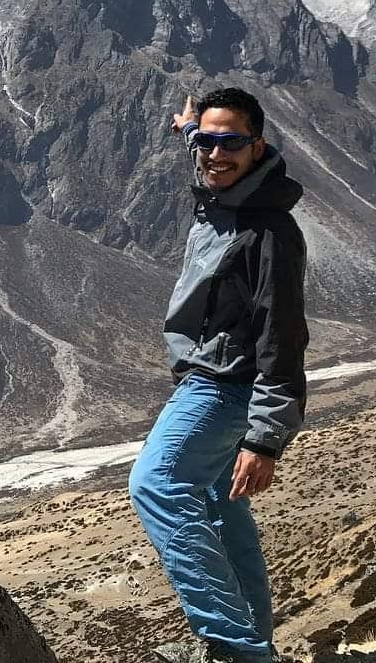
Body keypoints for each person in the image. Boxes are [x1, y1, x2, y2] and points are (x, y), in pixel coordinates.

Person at [129, 87, 309, 663]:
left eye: (230, 142)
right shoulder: (223, 188)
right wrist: (189, 128)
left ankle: (238, 652)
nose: (214, 153)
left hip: (225, 385)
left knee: (157, 485)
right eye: (207, 142)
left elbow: (283, 338)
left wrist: (265, 438)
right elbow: (203, 147)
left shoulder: (269, 233)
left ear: (258, 147)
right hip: (215, 377)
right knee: (217, 498)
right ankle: (257, 641)